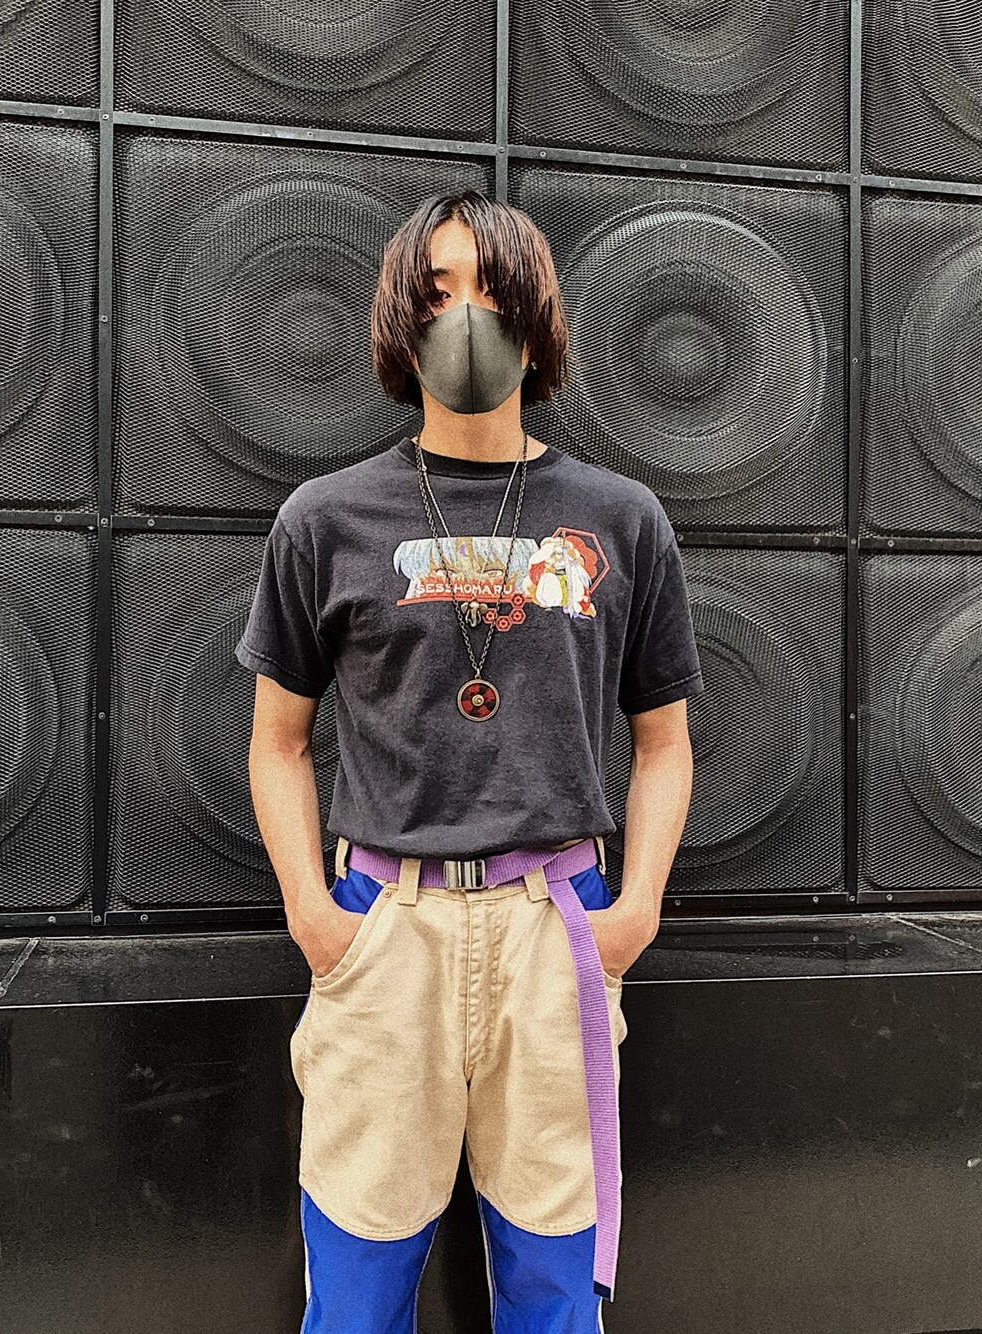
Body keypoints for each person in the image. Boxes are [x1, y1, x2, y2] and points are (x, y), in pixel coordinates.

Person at [235, 188, 704, 1333]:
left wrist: (634, 909)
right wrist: (313, 914)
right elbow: (277, 739)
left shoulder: (621, 518)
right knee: (356, 1287)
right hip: (382, 928)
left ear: (537, 321)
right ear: (401, 323)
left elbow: (664, 741)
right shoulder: (324, 520)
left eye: (492, 292)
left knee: (554, 1285)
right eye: (438, 292)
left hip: (555, 928)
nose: (466, 319)